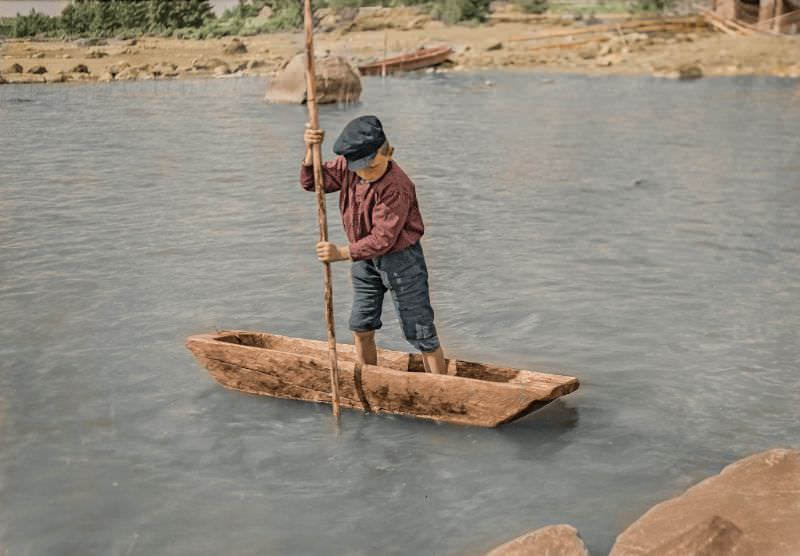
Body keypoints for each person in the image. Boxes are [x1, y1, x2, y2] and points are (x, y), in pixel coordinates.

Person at [300, 115, 447, 374]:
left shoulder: (396, 185)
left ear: (386, 152)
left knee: (420, 328)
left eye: (372, 167)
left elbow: (383, 239)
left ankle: (442, 388)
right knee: (361, 324)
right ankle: (369, 379)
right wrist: (310, 150)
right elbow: (313, 182)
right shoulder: (349, 168)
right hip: (364, 262)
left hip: (402, 261)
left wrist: (341, 253)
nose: (365, 173)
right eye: (360, 168)